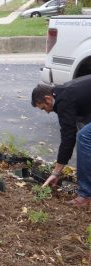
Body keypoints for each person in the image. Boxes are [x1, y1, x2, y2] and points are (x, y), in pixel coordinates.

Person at [31, 74, 91, 206]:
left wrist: (56, 172)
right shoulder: (63, 93)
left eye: (43, 108)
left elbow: (68, 137)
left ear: (47, 98)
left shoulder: (64, 101)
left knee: (84, 136)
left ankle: (86, 195)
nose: (46, 112)